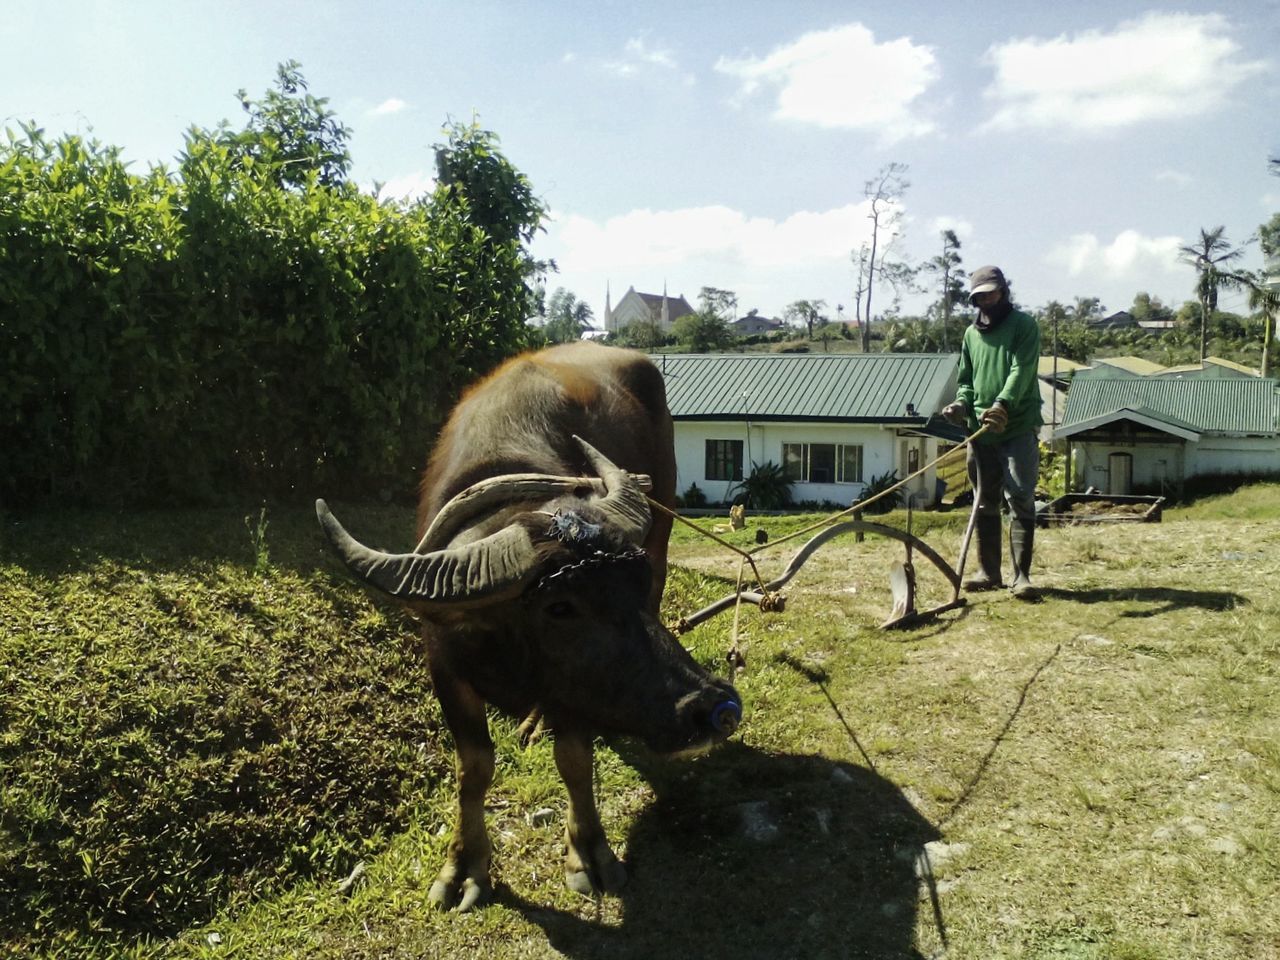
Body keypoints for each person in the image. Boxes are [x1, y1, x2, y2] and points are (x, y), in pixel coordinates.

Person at [942, 265, 1043, 600]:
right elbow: (967, 381)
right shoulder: (971, 335)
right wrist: (959, 405)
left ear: (1003, 291)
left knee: (1020, 497)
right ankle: (988, 572)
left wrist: (1003, 404)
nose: (986, 299)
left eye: (991, 292)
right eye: (979, 295)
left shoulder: (1023, 326)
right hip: (980, 430)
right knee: (984, 500)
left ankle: (1022, 577)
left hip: (1015, 424)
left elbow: (1022, 369)